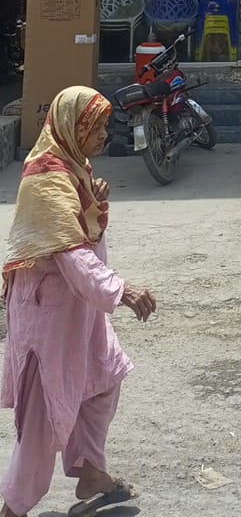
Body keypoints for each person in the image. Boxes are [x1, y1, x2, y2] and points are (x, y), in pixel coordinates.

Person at [0, 87, 157, 517]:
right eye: (96, 126)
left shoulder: (72, 166)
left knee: (105, 376)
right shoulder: (47, 178)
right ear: (74, 126)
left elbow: (81, 223)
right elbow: (71, 253)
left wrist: (93, 196)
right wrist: (122, 290)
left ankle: (90, 470)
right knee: (43, 416)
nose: (104, 134)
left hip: (77, 309)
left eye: (104, 125)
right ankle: (13, 508)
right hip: (47, 316)